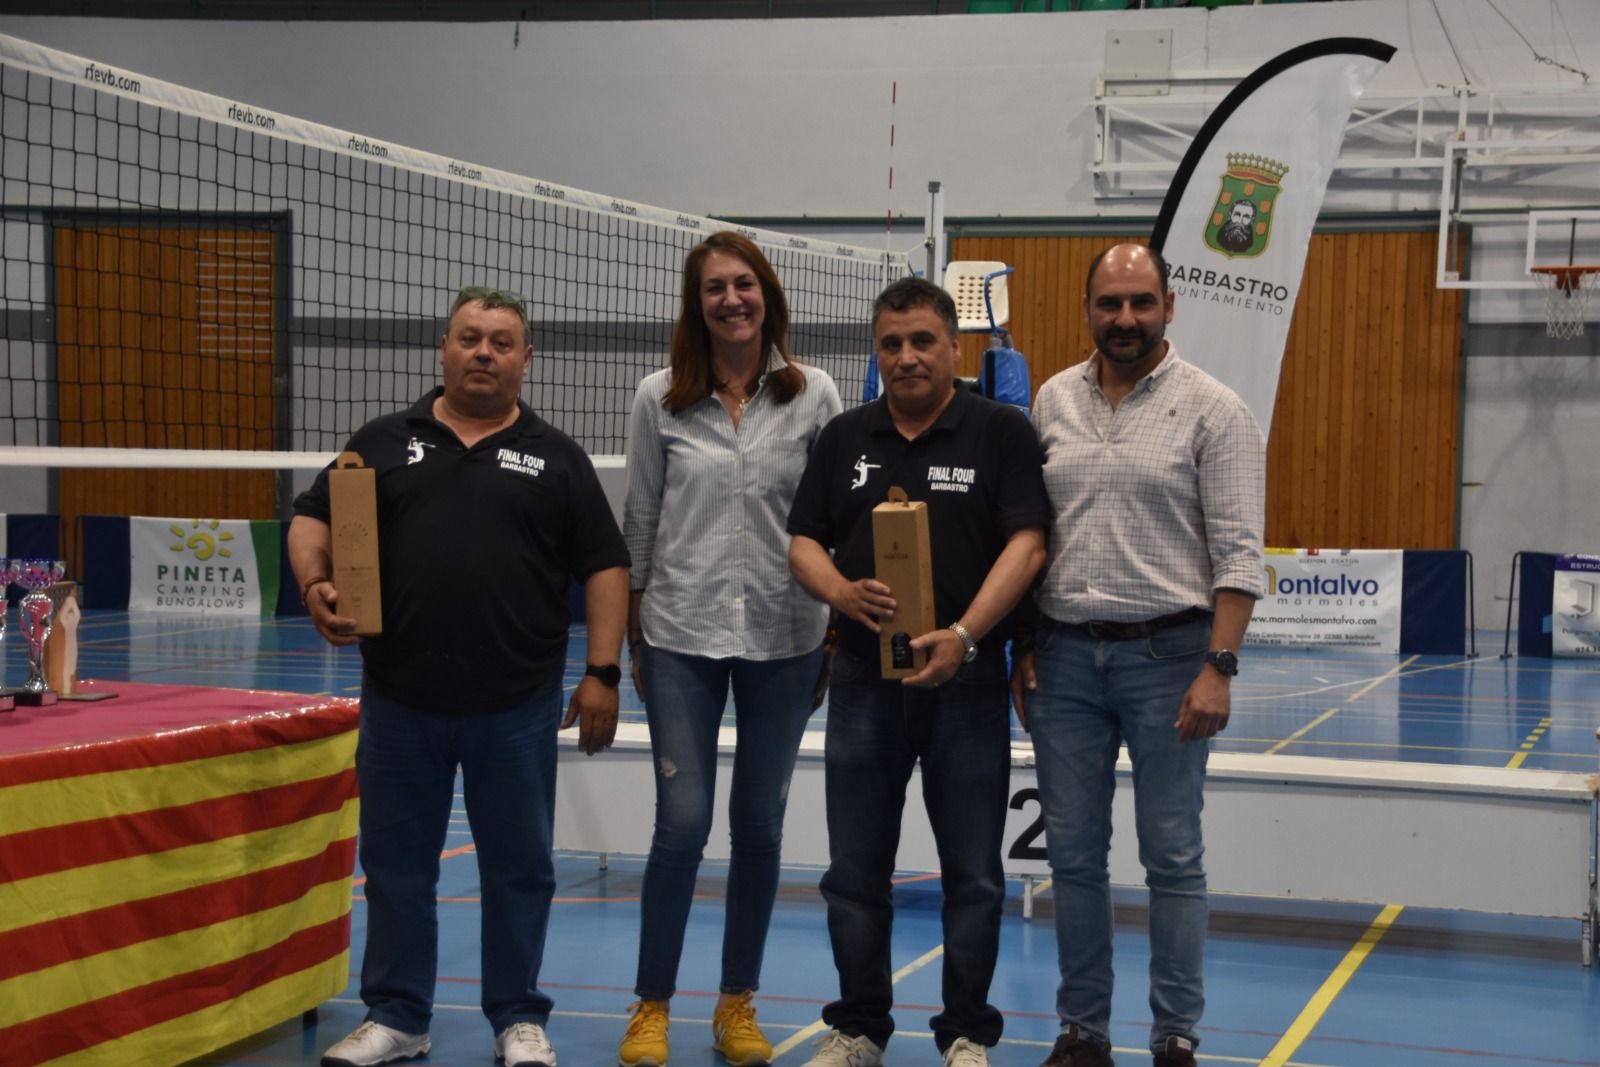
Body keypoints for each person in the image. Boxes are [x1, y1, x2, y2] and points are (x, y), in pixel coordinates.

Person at [289, 285, 630, 1067]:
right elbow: (313, 518)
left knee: (520, 868)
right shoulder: (380, 440)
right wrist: (315, 585)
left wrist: (603, 671)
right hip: (400, 698)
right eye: (470, 337)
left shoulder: (556, 456)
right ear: (443, 347)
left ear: (526, 358)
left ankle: (517, 1016)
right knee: (396, 866)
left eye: (501, 341)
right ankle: (399, 1014)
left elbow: (606, 566)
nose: (484, 352)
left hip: (514, 703)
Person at [1012, 243, 1266, 1067]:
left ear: (1169, 306)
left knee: (1173, 856)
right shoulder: (1050, 400)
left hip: (1173, 660)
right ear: (1088, 307)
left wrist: (1218, 667)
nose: (1125, 319)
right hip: (1064, 664)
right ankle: (1082, 1031)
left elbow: (1238, 552)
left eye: (1141, 303)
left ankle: (1174, 1035)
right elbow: (1028, 540)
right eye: (1109, 304)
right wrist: (1023, 645)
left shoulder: (1214, 409)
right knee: (1075, 858)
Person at [786, 276, 1049, 1067]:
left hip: (965, 685)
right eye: (891, 344)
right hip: (868, 682)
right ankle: (860, 1027)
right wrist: (840, 592)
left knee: (973, 873)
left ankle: (967, 1031)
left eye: (922, 341)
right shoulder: (844, 437)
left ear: (955, 348)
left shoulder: (1000, 432)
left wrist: (968, 637)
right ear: (878, 353)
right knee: (853, 870)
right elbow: (802, 539)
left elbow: (1029, 544)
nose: (906, 357)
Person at [618, 231, 842, 1067]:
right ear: (696, 303)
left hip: (787, 637)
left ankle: (737, 1004)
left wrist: (834, 628)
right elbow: (641, 518)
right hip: (680, 634)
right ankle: (650, 1007)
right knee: (680, 824)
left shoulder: (813, 394)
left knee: (759, 823)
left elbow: (831, 521)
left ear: (767, 294)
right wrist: (634, 630)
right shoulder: (658, 399)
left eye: (744, 284)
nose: (731, 300)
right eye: (714, 288)